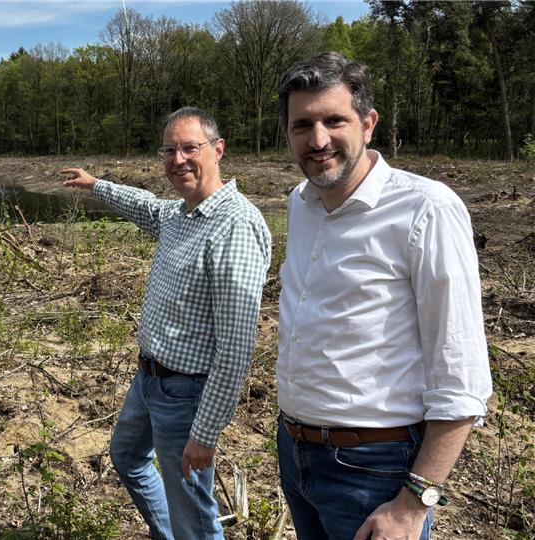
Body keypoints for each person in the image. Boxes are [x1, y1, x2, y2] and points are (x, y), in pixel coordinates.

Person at [275, 52, 492, 540]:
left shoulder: (426, 210)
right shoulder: (301, 202)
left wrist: (414, 503)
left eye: (335, 120)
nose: (319, 140)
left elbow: (461, 376)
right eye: (302, 124)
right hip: (294, 451)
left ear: (368, 123)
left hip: (374, 468)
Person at [61, 107, 271, 539]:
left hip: (187, 393)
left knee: (193, 513)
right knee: (127, 455)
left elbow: (235, 349)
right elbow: (145, 205)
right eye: (170, 150)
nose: (178, 160)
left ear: (218, 150)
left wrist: (206, 432)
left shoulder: (236, 226)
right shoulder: (180, 215)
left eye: (190, 148)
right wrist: (95, 184)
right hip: (149, 378)